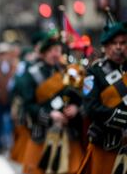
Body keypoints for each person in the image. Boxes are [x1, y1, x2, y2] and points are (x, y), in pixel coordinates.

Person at [21, 30, 84, 174]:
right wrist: (50, 115)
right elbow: (28, 105)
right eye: (50, 50)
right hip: (42, 136)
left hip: (67, 135)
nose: (55, 54)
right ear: (43, 52)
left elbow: (79, 99)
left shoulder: (69, 73)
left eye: (57, 50)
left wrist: (75, 108)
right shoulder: (32, 73)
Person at [78, 21, 127, 174]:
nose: (119, 47)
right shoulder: (94, 73)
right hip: (106, 145)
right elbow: (91, 108)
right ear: (105, 47)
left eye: (123, 43)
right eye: (114, 43)